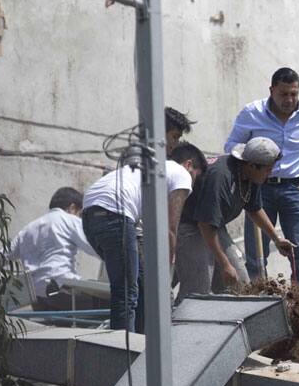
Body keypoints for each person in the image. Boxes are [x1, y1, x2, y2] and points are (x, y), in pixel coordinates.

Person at [225, 67, 299, 286]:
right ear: (271, 91)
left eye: (294, 94)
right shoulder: (252, 113)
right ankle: (258, 309)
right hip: (258, 189)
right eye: (283, 94)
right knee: (256, 255)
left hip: (296, 190)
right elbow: (232, 146)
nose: (289, 99)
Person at [82, 142, 206, 331]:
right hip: (116, 213)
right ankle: (124, 354)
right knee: (126, 292)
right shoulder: (181, 173)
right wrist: (168, 267)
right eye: (195, 176)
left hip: (90, 213)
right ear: (189, 165)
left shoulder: (152, 173)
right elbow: (171, 228)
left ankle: (142, 343)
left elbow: (142, 232)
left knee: (139, 287)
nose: (192, 184)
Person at [175, 137, 295, 303]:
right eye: (268, 169)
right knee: (198, 289)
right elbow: (205, 225)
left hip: (214, 226)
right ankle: (180, 326)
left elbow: (254, 208)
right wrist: (224, 264)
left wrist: (277, 238)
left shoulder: (252, 176)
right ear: (252, 165)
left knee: (239, 284)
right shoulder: (221, 176)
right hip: (190, 225)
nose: (271, 173)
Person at [8, 187, 102, 311]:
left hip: (37, 300)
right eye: (80, 214)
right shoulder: (70, 220)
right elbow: (96, 247)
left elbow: (2, 255)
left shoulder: (28, 229)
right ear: (72, 208)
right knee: (114, 303)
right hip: (64, 294)